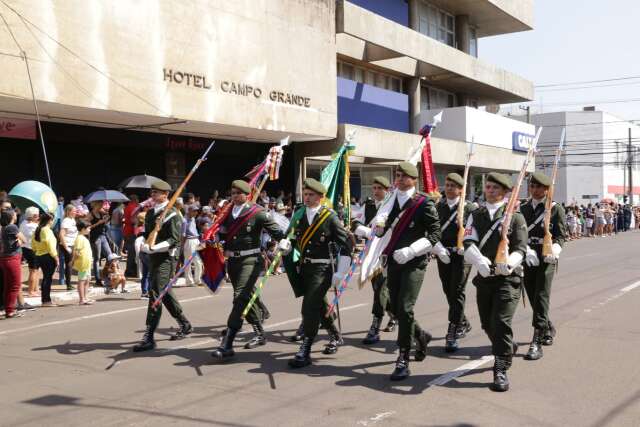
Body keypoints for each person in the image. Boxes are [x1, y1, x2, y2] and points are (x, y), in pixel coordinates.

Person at [371, 162, 441, 381]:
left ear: (414, 179)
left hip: (414, 262)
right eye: (397, 175)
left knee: (405, 306)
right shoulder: (390, 201)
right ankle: (420, 335)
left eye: (404, 176)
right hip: (393, 261)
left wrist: (412, 250)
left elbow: (434, 234)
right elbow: (385, 232)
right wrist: (377, 228)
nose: (399, 179)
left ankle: (403, 358)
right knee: (397, 307)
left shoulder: (423, 203)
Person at [463, 172, 527, 392]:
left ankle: (500, 368)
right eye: (488, 187)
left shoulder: (515, 217)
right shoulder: (476, 214)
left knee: (500, 322)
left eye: (495, 188)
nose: (490, 191)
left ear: (505, 192)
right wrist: (479, 260)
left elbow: (521, 248)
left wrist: (509, 263)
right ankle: (506, 345)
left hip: (508, 279)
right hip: (485, 278)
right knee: (486, 324)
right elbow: (468, 240)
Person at [280, 178, 352, 368]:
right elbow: (294, 237)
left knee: (309, 307)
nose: (307, 197)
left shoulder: (330, 217)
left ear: (321, 197)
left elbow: (347, 244)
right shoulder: (300, 215)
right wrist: (287, 245)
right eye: (305, 194)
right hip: (304, 268)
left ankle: (305, 349)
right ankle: (335, 335)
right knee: (319, 305)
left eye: (311, 195)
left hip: (323, 269)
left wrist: (341, 272)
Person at [212, 180, 286, 360]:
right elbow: (221, 232)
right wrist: (211, 237)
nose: (234, 195)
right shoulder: (227, 212)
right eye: (232, 192)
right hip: (233, 261)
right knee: (246, 296)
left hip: (251, 260)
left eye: (238, 193)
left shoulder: (258, 213)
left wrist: (283, 241)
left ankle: (227, 343)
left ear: (247, 195)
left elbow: (277, 232)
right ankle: (260, 333)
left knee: (239, 297)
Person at [133, 179, 193, 352]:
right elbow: (147, 234)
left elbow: (174, 240)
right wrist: (142, 243)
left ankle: (149, 336)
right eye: (152, 193)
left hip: (167, 258)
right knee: (164, 293)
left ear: (165, 194)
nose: (152, 195)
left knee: (155, 294)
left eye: (156, 193)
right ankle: (184, 324)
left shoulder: (174, 214)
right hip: (154, 258)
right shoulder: (151, 213)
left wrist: (154, 248)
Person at [520, 172, 567, 361]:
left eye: (540, 187)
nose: (535, 189)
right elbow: (518, 234)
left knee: (541, 295)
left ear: (547, 190)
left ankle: (536, 340)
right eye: (533, 186)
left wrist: (554, 250)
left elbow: (561, 235)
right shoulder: (522, 208)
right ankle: (547, 326)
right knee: (532, 296)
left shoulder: (555, 209)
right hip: (527, 256)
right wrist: (524, 250)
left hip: (546, 256)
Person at [432, 173, 476, 352]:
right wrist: (438, 248)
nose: (448, 188)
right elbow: (433, 229)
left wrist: (465, 244)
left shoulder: (469, 208)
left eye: (453, 185)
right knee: (447, 290)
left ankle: (453, 328)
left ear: (460, 189)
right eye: (447, 184)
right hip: (444, 253)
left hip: (462, 255)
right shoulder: (438, 206)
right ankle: (462, 321)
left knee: (457, 290)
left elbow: (475, 231)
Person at [353, 176, 397, 345]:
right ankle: (394, 315)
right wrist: (360, 228)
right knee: (378, 289)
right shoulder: (369, 205)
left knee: (381, 290)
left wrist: (369, 232)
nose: (376, 191)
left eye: (380, 188)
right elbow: (358, 221)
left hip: (387, 253)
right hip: (372, 254)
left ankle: (375, 326)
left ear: (387, 191)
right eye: (374, 187)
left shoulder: (393, 208)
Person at [0, 208, 26, 318]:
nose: (16, 215)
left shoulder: (4, 228)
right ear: (11, 216)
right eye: (15, 214)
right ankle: (10, 310)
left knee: (8, 285)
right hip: (12, 258)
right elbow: (23, 239)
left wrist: (17, 241)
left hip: (6, 258)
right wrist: (19, 241)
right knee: (15, 285)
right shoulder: (12, 227)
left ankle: (8, 309)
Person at [32, 213, 59, 307]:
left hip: (39, 255)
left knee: (46, 278)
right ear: (49, 220)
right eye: (52, 220)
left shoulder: (38, 229)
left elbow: (33, 243)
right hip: (48, 256)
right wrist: (56, 257)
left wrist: (38, 250)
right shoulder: (46, 230)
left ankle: (45, 299)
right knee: (48, 279)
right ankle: (46, 300)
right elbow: (50, 245)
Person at [87, 201, 112, 287]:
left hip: (103, 236)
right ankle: (97, 279)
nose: (102, 206)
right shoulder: (90, 215)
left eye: (102, 205)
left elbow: (106, 220)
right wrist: (98, 223)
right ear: (95, 205)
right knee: (97, 258)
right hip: (95, 237)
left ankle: (104, 273)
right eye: (100, 205)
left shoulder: (101, 212)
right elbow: (87, 226)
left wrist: (106, 219)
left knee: (110, 256)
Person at [19, 206, 40, 297]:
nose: (38, 217)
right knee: (33, 271)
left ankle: (35, 289)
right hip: (31, 249)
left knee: (34, 270)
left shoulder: (23, 222)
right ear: (34, 216)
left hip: (25, 248)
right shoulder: (34, 226)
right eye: (37, 215)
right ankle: (31, 291)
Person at [72, 220, 94, 305]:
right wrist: (73, 261)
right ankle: (82, 299)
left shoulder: (83, 238)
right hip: (82, 264)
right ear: (83, 229)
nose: (90, 230)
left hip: (87, 263)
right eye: (88, 228)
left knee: (87, 280)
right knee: (81, 281)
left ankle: (85, 297)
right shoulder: (79, 238)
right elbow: (76, 252)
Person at [181, 205, 204, 287]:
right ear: (189, 211)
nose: (196, 212)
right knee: (188, 262)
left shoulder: (193, 219)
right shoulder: (184, 220)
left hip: (196, 240)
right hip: (189, 241)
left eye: (196, 211)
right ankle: (189, 281)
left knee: (198, 261)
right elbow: (183, 234)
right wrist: (182, 245)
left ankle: (198, 280)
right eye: (194, 211)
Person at [59, 204, 78, 291]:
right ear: (68, 212)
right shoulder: (66, 221)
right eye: (74, 211)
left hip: (72, 244)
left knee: (70, 265)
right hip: (67, 245)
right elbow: (61, 235)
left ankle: (68, 283)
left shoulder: (72, 220)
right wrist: (66, 247)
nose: (75, 212)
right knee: (69, 265)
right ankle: (68, 285)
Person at [123, 194, 140, 277]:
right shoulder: (134, 208)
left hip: (127, 230)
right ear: (135, 200)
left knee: (131, 252)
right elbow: (134, 220)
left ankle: (130, 269)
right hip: (132, 231)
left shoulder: (126, 207)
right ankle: (129, 271)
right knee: (132, 253)